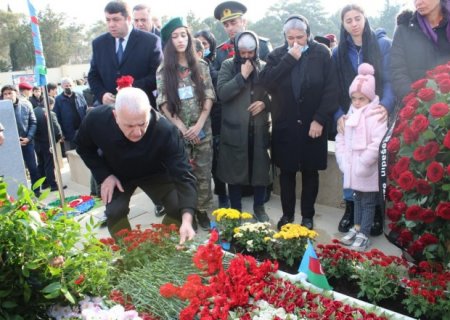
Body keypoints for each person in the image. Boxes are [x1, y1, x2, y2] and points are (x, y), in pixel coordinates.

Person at [75, 87, 197, 243]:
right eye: (129, 126)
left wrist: (187, 220)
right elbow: (83, 148)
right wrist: (104, 175)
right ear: (115, 116)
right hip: (117, 174)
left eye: (142, 124)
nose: (138, 132)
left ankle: (164, 242)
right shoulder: (95, 120)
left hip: (155, 172)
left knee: (178, 205)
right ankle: (129, 250)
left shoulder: (165, 130)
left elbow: (184, 175)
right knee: (115, 212)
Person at [260, 14, 339, 231]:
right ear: (284, 36)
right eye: (290, 37)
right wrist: (289, 59)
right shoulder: (277, 55)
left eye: (300, 37)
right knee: (286, 173)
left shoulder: (322, 53)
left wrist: (320, 119)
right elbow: (266, 83)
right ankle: (287, 215)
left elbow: (331, 90)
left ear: (308, 34)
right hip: (285, 125)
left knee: (310, 172)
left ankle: (307, 216)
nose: (295, 42)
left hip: (313, 124)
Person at [333, 4, 395, 236]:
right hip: (350, 116)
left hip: (374, 114)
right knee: (349, 161)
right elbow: (333, 88)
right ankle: (350, 208)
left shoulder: (382, 45)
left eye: (357, 18)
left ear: (365, 18)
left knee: (372, 162)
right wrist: (338, 114)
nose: (354, 24)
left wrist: (386, 106)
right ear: (343, 24)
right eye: (348, 20)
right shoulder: (338, 52)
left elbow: (389, 80)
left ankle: (375, 210)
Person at [156, 17, 216, 230]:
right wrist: (181, 127)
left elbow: (209, 94)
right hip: (179, 133)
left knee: (203, 171)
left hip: (202, 130)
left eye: (183, 35)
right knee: (182, 173)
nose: (180, 40)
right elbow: (162, 102)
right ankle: (186, 211)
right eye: (175, 36)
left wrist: (199, 124)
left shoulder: (200, 65)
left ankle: (202, 210)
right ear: (168, 41)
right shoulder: (164, 70)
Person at [216, 31, 271, 221]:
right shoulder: (227, 66)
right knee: (234, 171)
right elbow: (222, 93)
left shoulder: (264, 67)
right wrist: (242, 76)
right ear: (237, 51)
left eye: (250, 52)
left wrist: (265, 104)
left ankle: (259, 207)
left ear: (256, 49)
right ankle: (236, 209)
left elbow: (276, 95)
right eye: (243, 52)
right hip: (234, 129)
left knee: (260, 171)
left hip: (258, 129)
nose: (247, 56)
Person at [335, 63, 387, 251]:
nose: (356, 102)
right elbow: (340, 137)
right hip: (352, 168)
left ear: (370, 97)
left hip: (367, 169)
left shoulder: (376, 116)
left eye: (362, 99)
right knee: (356, 199)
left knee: (367, 202)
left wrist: (364, 163)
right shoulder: (350, 115)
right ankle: (356, 229)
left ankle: (364, 233)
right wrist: (342, 159)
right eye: (354, 98)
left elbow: (377, 143)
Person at [88, 0, 162, 108]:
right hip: (109, 111)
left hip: (141, 108)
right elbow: (93, 76)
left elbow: (158, 76)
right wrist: (102, 94)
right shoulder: (99, 44)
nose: (111, 24)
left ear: (128, 19)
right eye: (108, 20)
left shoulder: (150, 41)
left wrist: (130, 88)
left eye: (116, 20)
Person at [391, 0, 450, 100]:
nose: (418, 2)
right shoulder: (404, 30)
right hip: (417, 107)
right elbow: (398, 72)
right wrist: (417, 102)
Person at [1, 85, 40, 194]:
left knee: (33, 168)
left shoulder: (26, 105)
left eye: (10, 93)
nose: (8, 96)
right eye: (5, 94)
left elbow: (33, 122)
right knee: (13, 171)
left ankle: (35, 192)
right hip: (8, 145)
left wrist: (28, 138)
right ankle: (16, 194)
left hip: (26, 143)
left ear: (16, 93)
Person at [33, 96, 62, 191]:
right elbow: (57, 130)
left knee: (41, 163)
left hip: (37, 142)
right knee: (49, 164)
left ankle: (44, 184)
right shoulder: (50, 113)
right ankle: (53, 185)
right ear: (50, 104)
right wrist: (57, 140)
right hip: (48, 143)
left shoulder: (34, 111)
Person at [53, 77, 88, 151]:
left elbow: (85, 110)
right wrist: (61, 133)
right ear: (62, 87)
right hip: (69, 133)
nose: (68, 87)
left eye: (70, 85)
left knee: (85, 151)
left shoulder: (79, 95)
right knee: (72, 153)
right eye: (66, 86)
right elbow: (57, 117)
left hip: (82, 130)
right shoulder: (58, 100)